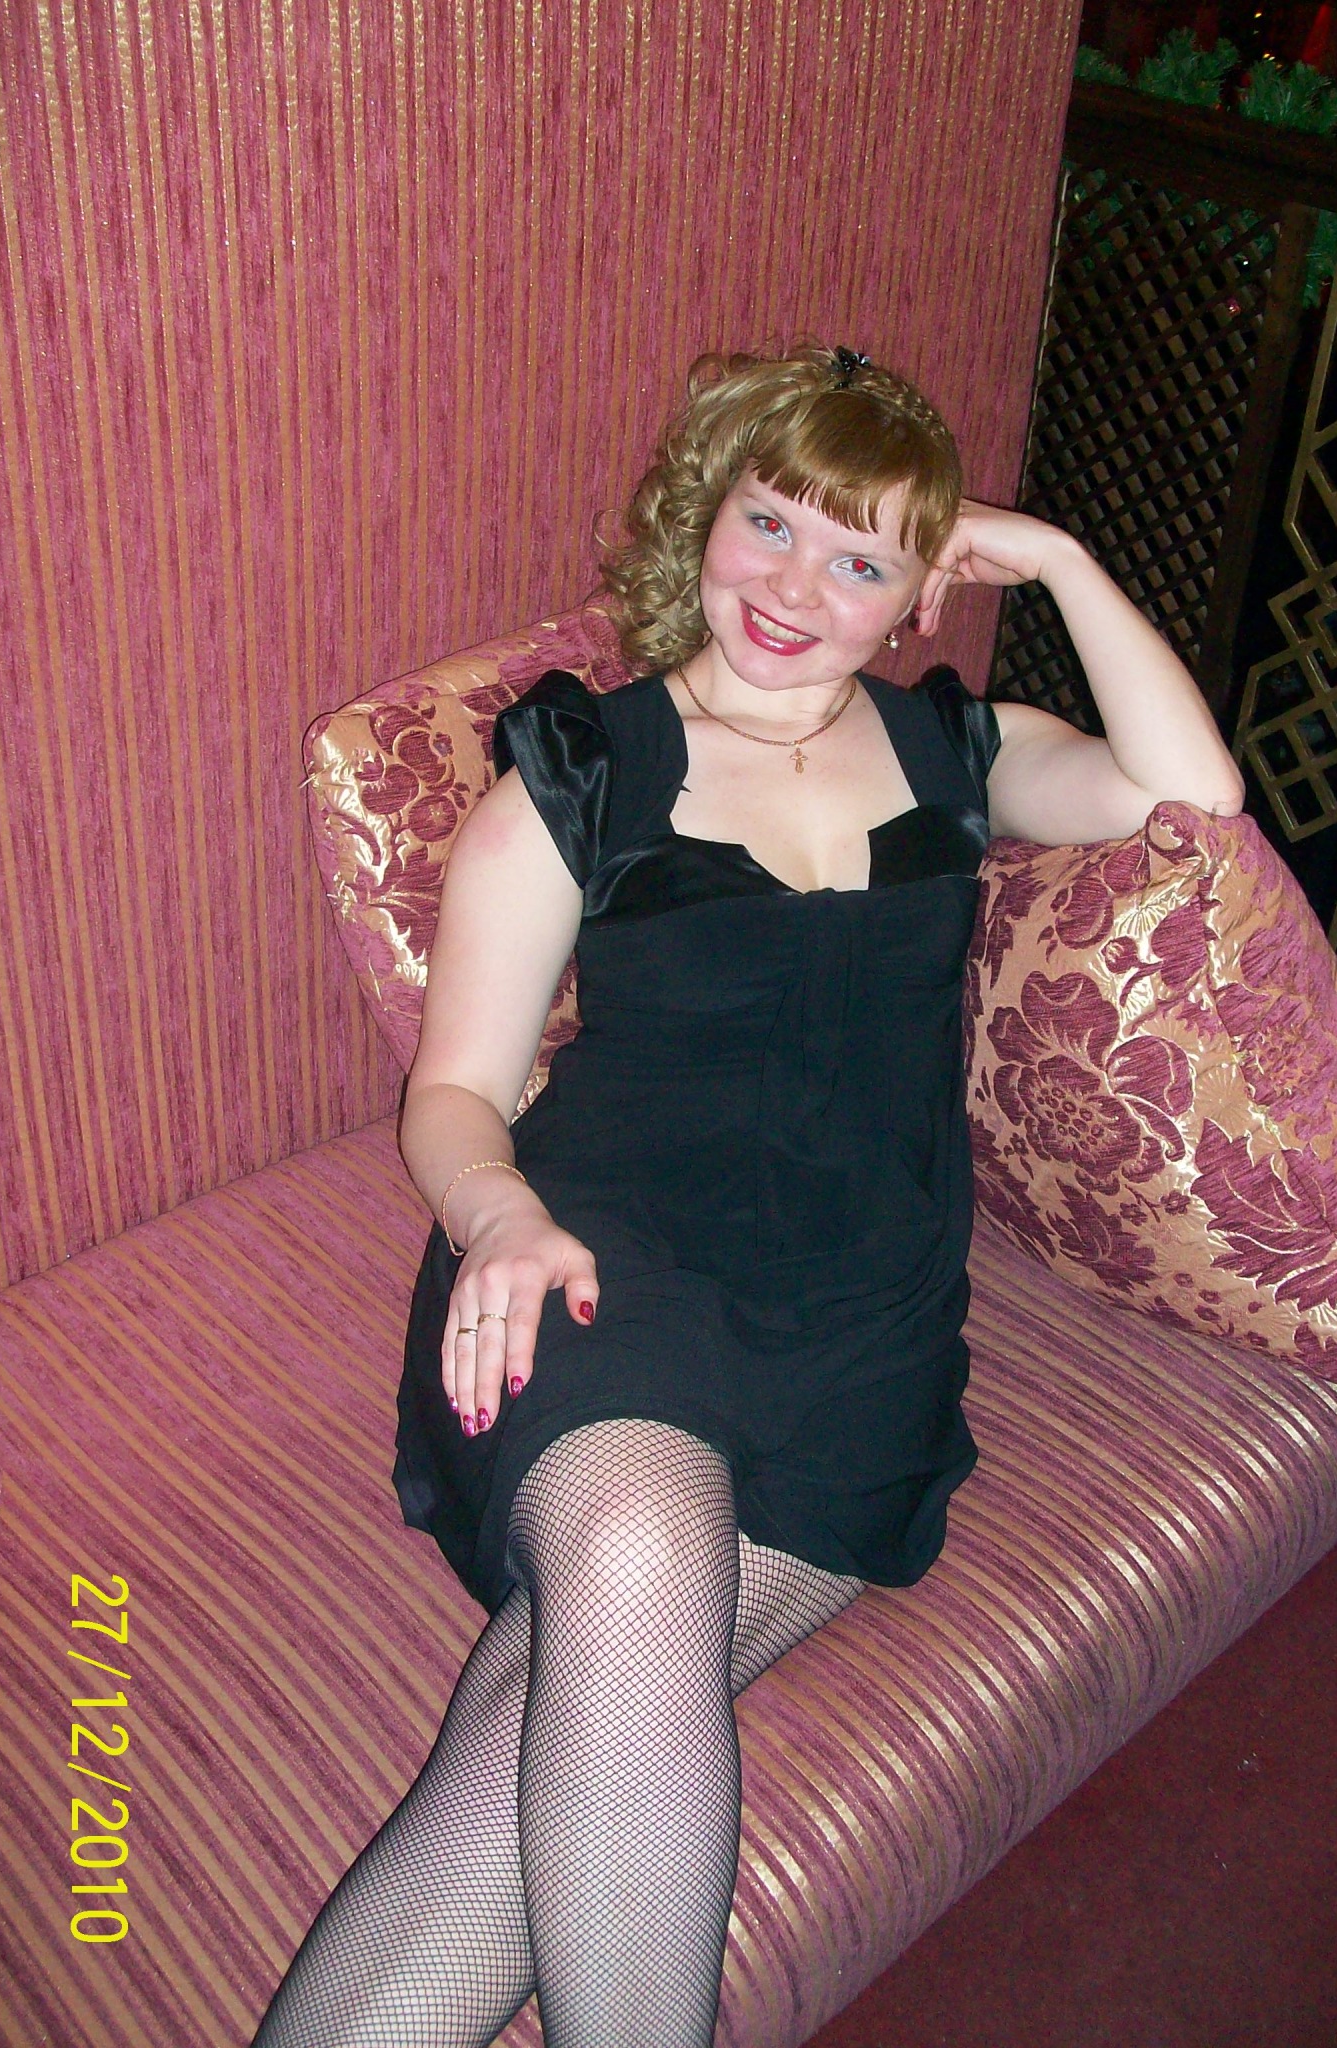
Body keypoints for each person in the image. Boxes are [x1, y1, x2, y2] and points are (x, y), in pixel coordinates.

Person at [253, 342, 1243, 2048]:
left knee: (545, 1719)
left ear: (921, 590)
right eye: (768, 523)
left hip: (862, 1324)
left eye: (860, 560)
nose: (793, 588)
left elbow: (1188, 795)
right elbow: (457, 1093)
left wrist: (1063, 561)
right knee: (639, 1549)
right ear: (704, 513)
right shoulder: (584, 770)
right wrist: (497, 1214)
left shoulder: (961, 752)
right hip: (600, 1261)